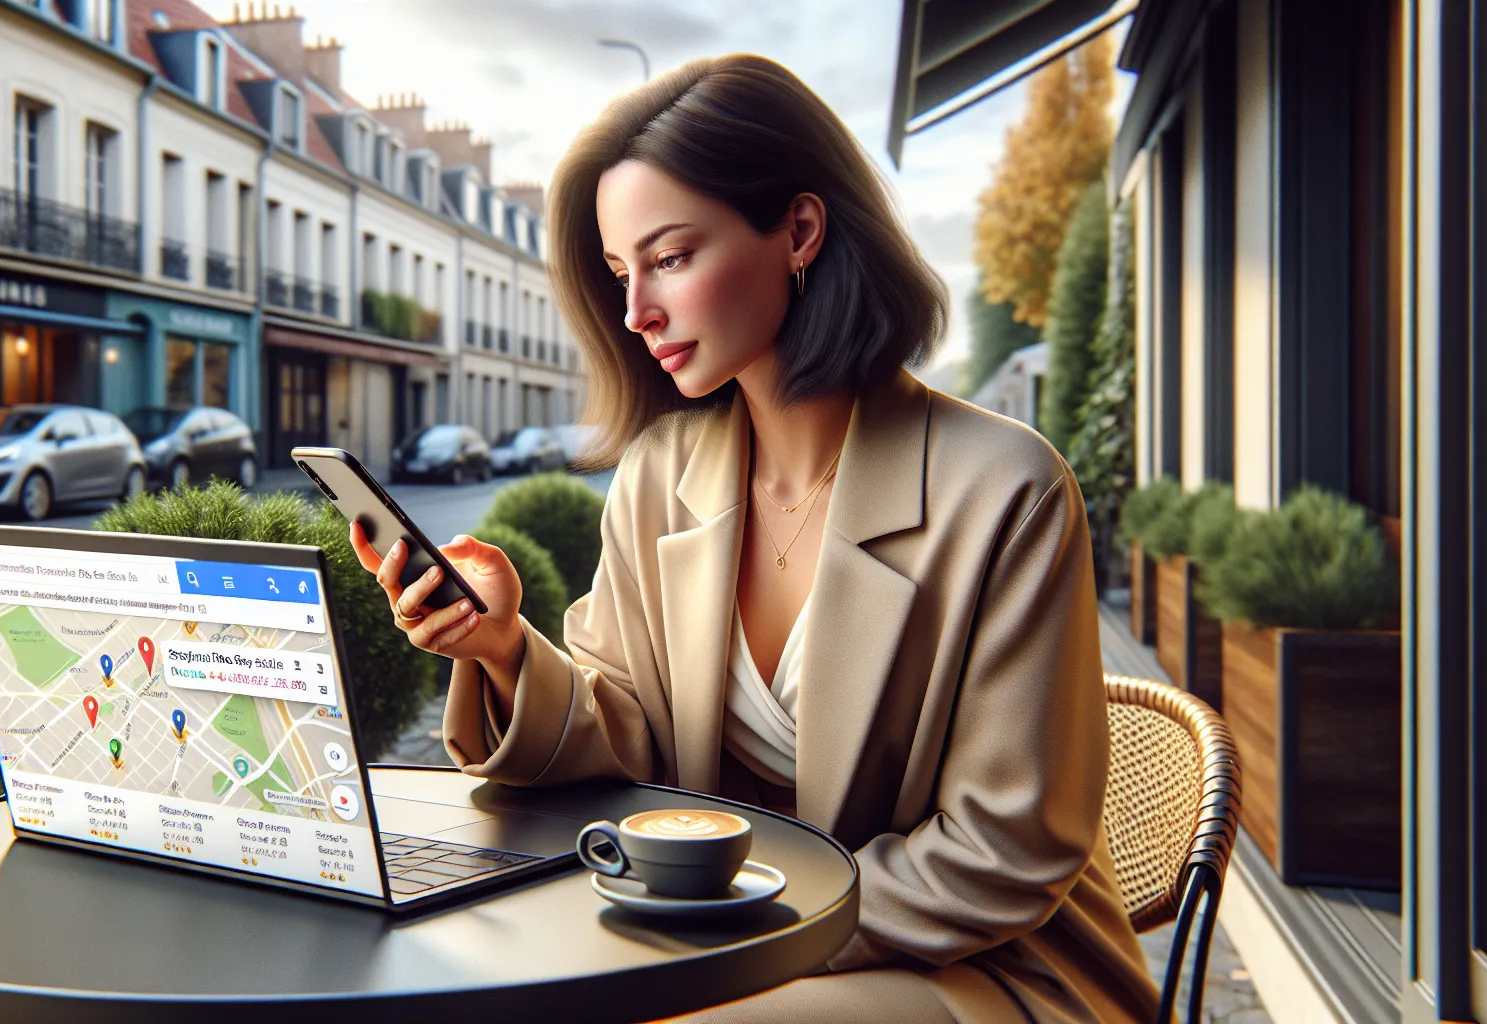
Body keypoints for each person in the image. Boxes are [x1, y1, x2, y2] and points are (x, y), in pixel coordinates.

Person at [350, 53, 1160, 1024]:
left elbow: (1002, 848)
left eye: (670, 257)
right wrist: (500, 648)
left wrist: (752, 935)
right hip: (721, 949)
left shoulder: (1005, 490)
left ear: (800, 232)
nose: (635, 312)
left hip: (986, 971)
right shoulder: (657, 476)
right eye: (618, 272)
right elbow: (626, 747)